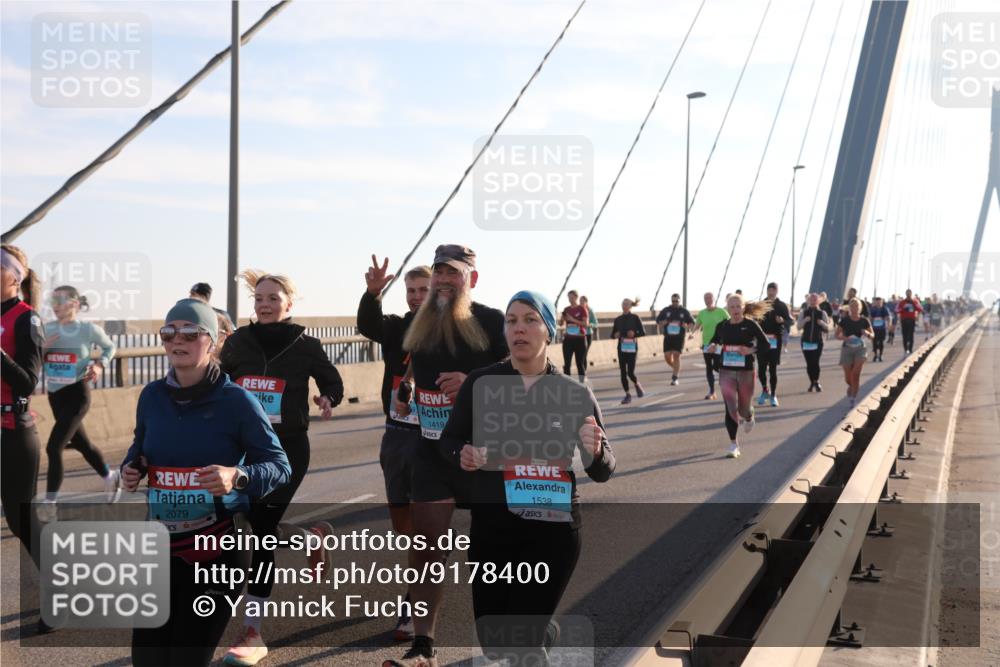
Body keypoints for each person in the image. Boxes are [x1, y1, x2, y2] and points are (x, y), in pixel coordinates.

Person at [442, 290, 615, 665]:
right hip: (493, 527)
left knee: (521, 644)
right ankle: (544, 632)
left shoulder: (573, 392)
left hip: (553, 531)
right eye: (511, 321)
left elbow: (602, 469)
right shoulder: (480, 383)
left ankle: (535, 639)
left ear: (549, 331)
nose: (518, 328)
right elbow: (450, 440)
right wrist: (464, 454)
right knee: (494, 641)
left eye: (530, 320)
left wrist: (596, 450)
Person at [122, 298, 290, 667]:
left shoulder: (237, 401)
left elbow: (279, 465)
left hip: (218, 550)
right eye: (169, 333)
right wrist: (132, 467)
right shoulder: (151, 396)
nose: (176, 340)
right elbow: (140, 446)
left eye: (190, 332)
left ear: (212, 341)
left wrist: (238, 476)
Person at [385, 244, 508, 667]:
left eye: (453, 273)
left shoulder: (493, 321)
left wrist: (474, 382)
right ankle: (423, 646)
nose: (443, 279)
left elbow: (526, 372)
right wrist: (406, 393)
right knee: (426, 546)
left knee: (490, 553)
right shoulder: (422, 322)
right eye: (439, 272)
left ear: (472, 279)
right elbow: (417, 368)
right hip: (433, 450)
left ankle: (501, 642)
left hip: (484, 454)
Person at [219, 271, 344, 665]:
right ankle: (310, 539)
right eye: (259, 298)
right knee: (253, 524)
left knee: (260, 532)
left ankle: (252, 629)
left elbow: (332, 380)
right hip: (243, 450)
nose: (264, 304)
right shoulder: (239, 341)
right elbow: (217, 381)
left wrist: (327, 397)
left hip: (287, 450)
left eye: (273, 298)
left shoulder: (306, 344)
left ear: (289, 304)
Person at [357, 257, 431, 641]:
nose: (417, 297)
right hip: (398, 435)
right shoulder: (397, 327)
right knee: (404, 526)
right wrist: (373, 294)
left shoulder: (452, 329)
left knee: (427, 528)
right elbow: (367, 325)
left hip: (434, 439)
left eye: (424, 290)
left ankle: (414, 601)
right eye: (411, 291)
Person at [40, 285, 119, 521]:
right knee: (83, 444)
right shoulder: (47, 329)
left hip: (78, 394)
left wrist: (99, 364)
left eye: (60, 301)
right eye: (53, 301)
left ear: (74, 304)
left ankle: (50, 503)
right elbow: (34, 357)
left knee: (54, 447)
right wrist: (42, 348)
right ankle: (109, 476)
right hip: (55, 395)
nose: (55, 306)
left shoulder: (86, 329)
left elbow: (110, 347)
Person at [1, 245, 44, 565]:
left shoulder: (27, 318)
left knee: (21, 520)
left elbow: (28, 382)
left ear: (14, 277)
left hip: (13, 431)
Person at [707, 295, 771, 459]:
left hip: (746, 371)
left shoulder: (750, 325)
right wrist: (713, 345)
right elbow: (715, 340)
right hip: (726, 370)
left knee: (743, 409)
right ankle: (733, 444)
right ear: (727, 308)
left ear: (743, 308)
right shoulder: (722, 326)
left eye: (738, 306)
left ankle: (749, 416)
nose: (735, 310)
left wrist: (749, 350)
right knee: (730, 407)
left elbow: (765, 344)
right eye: (732, 307)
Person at [755, 282, 791, 407]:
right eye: (769, 290)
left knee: (773, 369)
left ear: (777, 291)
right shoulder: (760, 305)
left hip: (776, 340)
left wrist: (782, 321)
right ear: (767, 291)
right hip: (762, 341)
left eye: (773, 290)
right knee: (761, 370)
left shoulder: (782, 306)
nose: (771, 292)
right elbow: (753, 321)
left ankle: (773, 395)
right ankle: (765, 390)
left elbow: (790, 321)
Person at [835, 298, 874, 408]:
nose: (854, 308)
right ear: (849, 308)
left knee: (856, 374)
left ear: (860, 308)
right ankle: (852, 386)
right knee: (848, 377)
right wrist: (844, 338)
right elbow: (837, 335)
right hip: (847, 348)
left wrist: (867, 333)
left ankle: (853, 398)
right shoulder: (844, 320)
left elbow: (872, 335)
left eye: (856, 306)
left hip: (860, 348)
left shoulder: (864, 320)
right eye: (852, 306)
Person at [693, 292, 729, 400]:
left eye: (709, 298)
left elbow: (730, 323)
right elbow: (697, 326)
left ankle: (727, 379)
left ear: (714, 299)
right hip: (706, 344)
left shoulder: (722, 312)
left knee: (717, 366)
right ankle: (712, 391)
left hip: (718, 343)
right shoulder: (702, 313)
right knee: (709, 367)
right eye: (705, 298)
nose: (707, 300)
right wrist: (692, 334)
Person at [611, 297, 645, 404]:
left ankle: (636, 384)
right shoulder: (618, 319)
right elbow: (612, 334)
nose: (624, 305)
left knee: (630, 372)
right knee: (622, 372)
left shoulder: (635, 318)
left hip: (632, 348)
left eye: (627, 304)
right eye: (623, 304)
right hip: (621, 348)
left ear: (630, 306)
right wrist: (615, 335)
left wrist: (634, 334)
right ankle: (627, 394)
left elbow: (643, 332)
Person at [655, 293, 694, 386]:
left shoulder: (684, 311)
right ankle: (676, 367)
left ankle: (675, 377)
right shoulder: (666, 310)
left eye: (676, 301)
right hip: (668, 337)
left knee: (676, 355)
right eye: (673, 301)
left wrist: (686, 326)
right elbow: (658, 322)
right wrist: (665, 322)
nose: (675, 302)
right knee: (667, 356)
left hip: (679, 337)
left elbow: (692, 323)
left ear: (679, 301)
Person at [797, 293, 831, 392]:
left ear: (818, 301)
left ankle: (816, 381)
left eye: (815, 299)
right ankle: (812, 382)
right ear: (808, 301)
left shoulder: (822, 313)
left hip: (818, 341)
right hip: (806, 341)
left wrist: (822, 323)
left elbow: (828, 328)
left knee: (815, 362)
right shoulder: (803, 312)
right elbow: (798, 327)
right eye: (811, 299)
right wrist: (804, 321)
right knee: (809, 363)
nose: (813, 301)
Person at [559, 290, 589, 383]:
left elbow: (585, 324)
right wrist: (562, 319)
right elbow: (560, 324)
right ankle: (567, 384)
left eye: (571, 297)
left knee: (580, 364)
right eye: (568, 297)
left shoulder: (582, 309)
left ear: (576, 297)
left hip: (580, 339)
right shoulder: (566, 309)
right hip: (568, 339)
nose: (570, 299)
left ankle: (582, 386)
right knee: (567, 364)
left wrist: (573, 319)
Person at [896, 289, 923, 354]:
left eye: (909, 293)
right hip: (904, 320)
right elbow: (896, 310)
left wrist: (913, 304)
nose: (908, 295)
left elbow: (920, 309)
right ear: (905, 294)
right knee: (904, 335)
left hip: (911, 320)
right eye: (907, 293)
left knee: (911, 335)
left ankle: (910, 349)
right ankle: (906, 349)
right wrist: (903, 308)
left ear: (911, 294)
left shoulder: (914, 301)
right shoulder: (902, 302)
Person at [868, 296, 891, 362]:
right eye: (877, 302)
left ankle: (880, 355)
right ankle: (875, 355)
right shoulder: (873, 309)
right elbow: (870, 318)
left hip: (882, 328)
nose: (878, 303)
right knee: (875, 342)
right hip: (874, 328)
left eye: (879, 302)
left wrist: (888, 324)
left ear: (882, 302)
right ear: (875, 302)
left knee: (881, 342)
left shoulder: (884, 309)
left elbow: (888, 317)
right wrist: (870, 325)